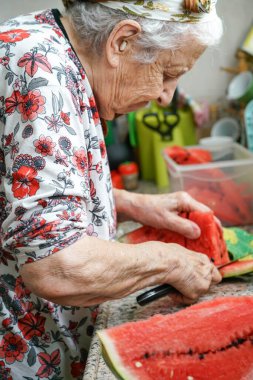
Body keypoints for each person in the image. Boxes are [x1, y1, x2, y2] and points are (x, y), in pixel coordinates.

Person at [0, 0, 223, 378]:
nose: (167, 96)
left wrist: (131, 203)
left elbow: (25, 196)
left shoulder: (45, 41)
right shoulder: (39, 71)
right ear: (122, 42)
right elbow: (56, 265)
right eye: (168, 72)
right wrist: (170, 260)